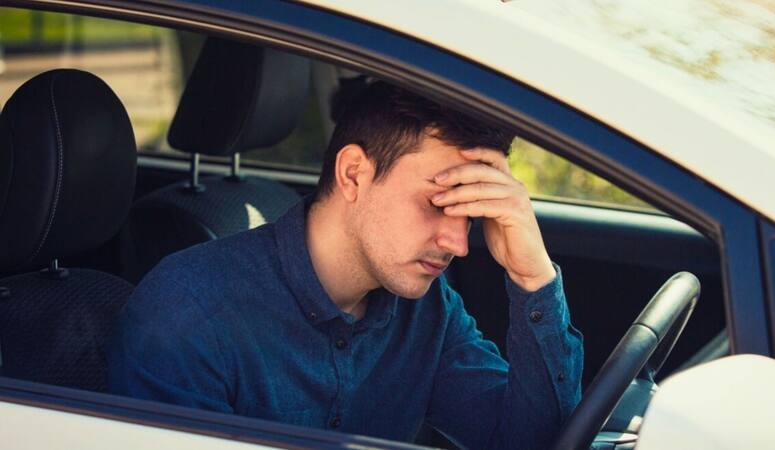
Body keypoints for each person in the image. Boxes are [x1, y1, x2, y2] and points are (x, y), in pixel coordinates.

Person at [107, 79, 583, 449]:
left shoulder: (427, 310)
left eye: (470, 214)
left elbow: (529, 444)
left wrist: (532, 276)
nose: (458, 244)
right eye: (438, 203)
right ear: (354, 173)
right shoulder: (187, 315)